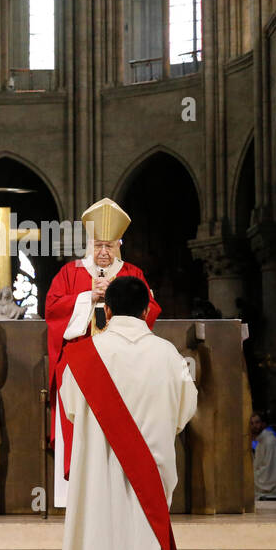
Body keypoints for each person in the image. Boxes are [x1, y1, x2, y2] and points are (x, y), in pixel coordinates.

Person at [53, 276, 199, 550]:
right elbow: (186, 411)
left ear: (109, 310)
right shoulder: (168, 354)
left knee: (104, 549)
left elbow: (69, 409)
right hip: (151, 469)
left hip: (99, 474)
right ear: (148, 309)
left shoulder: (83, 355)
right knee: (148, 548)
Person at [44, 197, 160, 508]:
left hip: (124, 363)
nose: (103, 252)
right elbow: (52, 310)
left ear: (119, 245)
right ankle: (77, 492)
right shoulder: (71, 273)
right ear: (89, 244)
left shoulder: (133, 273)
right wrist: (86, 297)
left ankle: (123, 487)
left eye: (109, 245)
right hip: (81, 364)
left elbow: (150, 309)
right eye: (98, 245)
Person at [250, 411, 276, 502]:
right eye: (252, 423)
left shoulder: (270, 442)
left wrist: (251, 475)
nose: (254, 426)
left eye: (257, 422)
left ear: (264, 424)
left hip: (271, 491)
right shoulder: (260, 443)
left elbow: (271, 473)